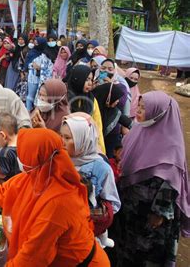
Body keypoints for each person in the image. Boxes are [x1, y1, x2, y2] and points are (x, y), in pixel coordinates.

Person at [0, 128, 111, 266]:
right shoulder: (36, 175)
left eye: (22, 152)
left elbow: (33, 258)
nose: (18, 156)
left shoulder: (58, 202)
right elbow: (4, 193)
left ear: (36, 158)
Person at [115, 91, 190, 266]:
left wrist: (159, 212)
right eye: (139, 106)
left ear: (159, 113)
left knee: (146, 255)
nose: (139, 111)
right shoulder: (138, 131)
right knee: (125, 248)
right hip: (130, 208)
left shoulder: (171, 145)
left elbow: (170, 184)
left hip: (151, 217)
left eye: (144, 108)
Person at [61, 114, 121, 248]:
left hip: (87, 235)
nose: (62, 142)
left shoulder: (101, 168)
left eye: (68, 138)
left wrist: (89, 214)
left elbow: (113, 204)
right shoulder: (60, 160)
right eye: (61, 136)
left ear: (83, 139)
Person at [66, 65, 106, 153]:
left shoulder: (91, 100)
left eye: (91, 80)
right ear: (77, 78)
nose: (90, 83)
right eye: (86, 79)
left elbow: (97, 126)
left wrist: (101, 151)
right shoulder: (65, 98)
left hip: (86, 147)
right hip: (67, 145)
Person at [93, 83, 132, 157]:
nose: (117, 101)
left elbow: (127, 122)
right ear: (107, 97)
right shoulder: (92, 108)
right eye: (115, 98)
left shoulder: (112, 110)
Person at [26, 36, 54, 111]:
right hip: (34, 78)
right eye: (35, 43)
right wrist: (34, 66)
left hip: (44, 80)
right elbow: (28, 65)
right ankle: (29, 112)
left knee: (41, 97)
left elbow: (50, 66)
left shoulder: (48, 53)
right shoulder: (33, 53)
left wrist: (40, 67)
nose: (35, 44)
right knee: (31, 97)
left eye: (37, 43)